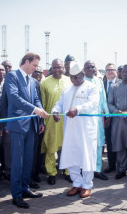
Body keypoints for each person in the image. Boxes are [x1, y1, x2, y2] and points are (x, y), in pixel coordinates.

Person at [4, 53, 48, 209]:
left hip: (31, 125)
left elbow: (35, 98)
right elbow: (14, 98)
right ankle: (16, 195)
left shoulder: (32, 80)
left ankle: (25, 188)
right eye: (34, 65)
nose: (36, 69)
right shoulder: (12, 76)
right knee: (18, 161)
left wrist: (40, 110)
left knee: (28, 159)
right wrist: (34, 109)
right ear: (27, 62)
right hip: (17, 125)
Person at [52, 61, 99, 198]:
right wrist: (55, 111)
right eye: (71, 77)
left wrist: (77, 109)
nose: (73, 80)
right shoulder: (68, 89)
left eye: (76, 77)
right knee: (71, 155)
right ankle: (76, 183)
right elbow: (59, 103)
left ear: (83, 74)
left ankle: (87, 185)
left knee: (87, 156)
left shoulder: (91, 87)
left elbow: (93, 103)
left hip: (86, 130)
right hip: (70, 130)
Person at [40, 59, 71, 185]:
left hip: (68, 120)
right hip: (51, 120)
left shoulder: (69, 81)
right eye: (55, 67)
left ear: (63, 68)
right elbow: (43, 103)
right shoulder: (45, 83)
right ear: (51, 68)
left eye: (60, 67)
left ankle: (68, 172)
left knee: (67, 146)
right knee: (51, 148)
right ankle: (51, 173)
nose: (57, 70)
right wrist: (44, 121)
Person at [84, 60, 109, 181]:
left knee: (99, 144)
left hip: (98, 118)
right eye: (87, 67)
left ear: (96, 68)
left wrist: (108, 115)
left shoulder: (99, 82)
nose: (90, 69)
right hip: (86, 118)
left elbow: (103, 100)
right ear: (84, 69)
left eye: (92, 66)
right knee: (87, 144)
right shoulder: (81, 82)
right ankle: (85, 169)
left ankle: (97, 169)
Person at [103, 63, 119, 173]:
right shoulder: (101, 84)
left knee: (119, 141)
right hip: (105, 118)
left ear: (116, 72)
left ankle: (121, 165)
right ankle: (111, 164)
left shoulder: (121, 83)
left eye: (112, 69)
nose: (110, 71)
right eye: (108, 70)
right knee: (109, 141)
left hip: (118, 116)